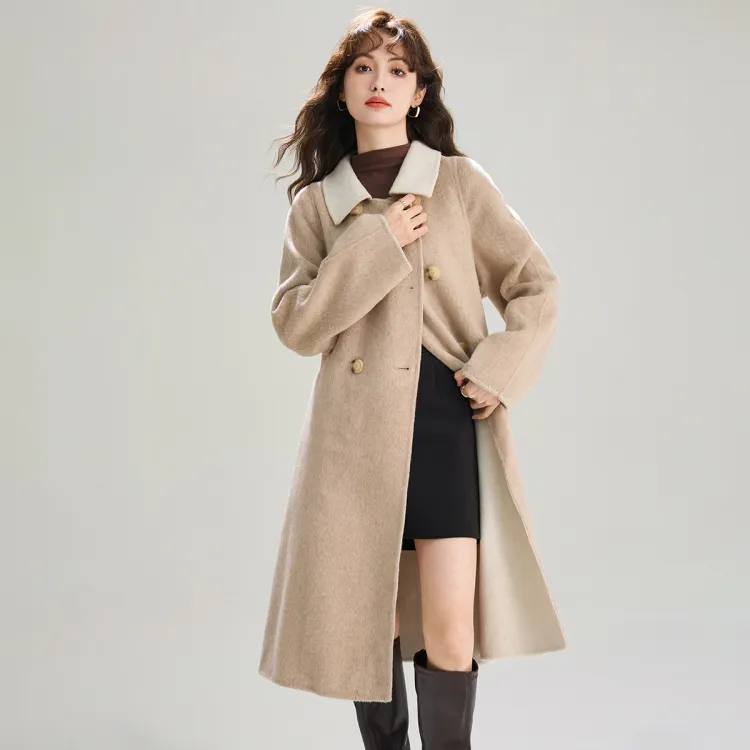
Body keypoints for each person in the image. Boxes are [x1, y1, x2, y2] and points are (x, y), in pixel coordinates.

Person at [260, 8, 565, 749]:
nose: (380, 82)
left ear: (420, 92)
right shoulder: (317, 206)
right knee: (367, 634)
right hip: (353, 442)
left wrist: (499, 368)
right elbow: (297, 326)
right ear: (342, 90)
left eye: (398, 70)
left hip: (444, 430)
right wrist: (377, 239)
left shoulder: (457, 184)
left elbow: (536, 285)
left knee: (452, 633)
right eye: (363, 68)